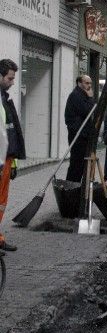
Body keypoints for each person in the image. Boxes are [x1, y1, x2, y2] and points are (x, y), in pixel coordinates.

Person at [0, 59, 26, 252]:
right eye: (10, 78)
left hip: (6, 159)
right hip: (1, 161)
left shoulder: (5, 98)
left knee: (1, 202)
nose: (12, 82)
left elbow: (10, 134)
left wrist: (14, 161)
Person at [64, 75, 95, 182]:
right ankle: (71, 187)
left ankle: (76, 187)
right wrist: (91, 98)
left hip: (84, 135)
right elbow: (87, 111)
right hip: (78, 135)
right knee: (76, 165)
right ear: (79, 83)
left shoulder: (82, 95)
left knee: (81, 165)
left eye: (90, 83)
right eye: (87, 83)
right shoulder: (76, 95)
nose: (89, 86)